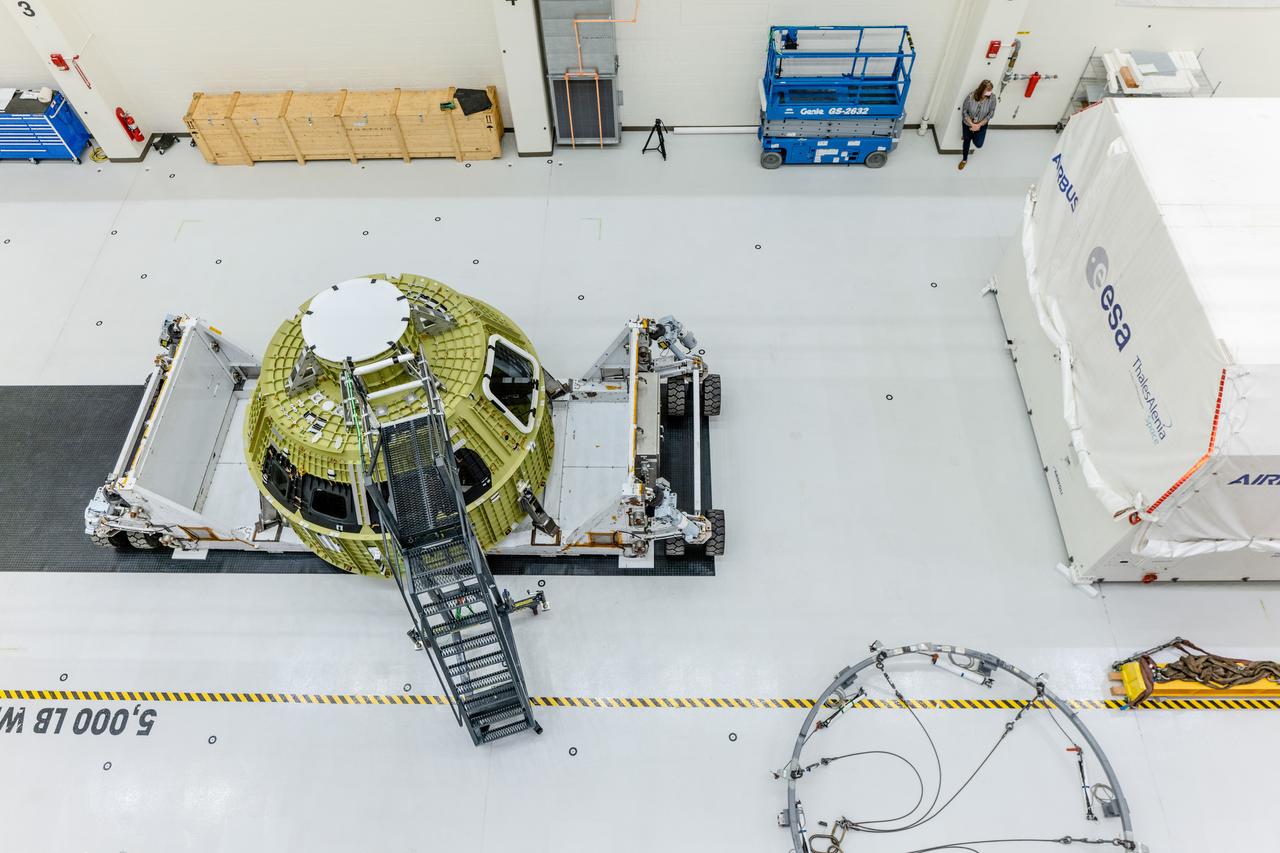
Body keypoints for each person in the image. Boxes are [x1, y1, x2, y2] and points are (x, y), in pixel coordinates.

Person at [959, 80, 996, 170]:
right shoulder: (970, 96)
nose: (990, 92)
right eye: (988, 90)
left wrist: (978, 125)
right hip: (968, 123)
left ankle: (968, 135)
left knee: (979, 144)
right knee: (967, 141)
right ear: (981, 90)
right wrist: (971, 124)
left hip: (981, 125)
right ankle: (964, 160)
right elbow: (964, 112)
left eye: (991, 90)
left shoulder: (992, 98)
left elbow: (990, 114)